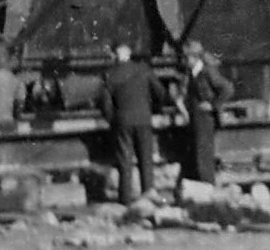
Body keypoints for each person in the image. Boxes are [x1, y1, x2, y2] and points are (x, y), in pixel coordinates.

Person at [98, 40, 170, 204]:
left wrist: (113, 120)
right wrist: (154, 110)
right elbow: (160, 92)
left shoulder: (110, 75)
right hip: (144, 119)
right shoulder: (144, 69)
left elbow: (105, 105)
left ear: (115, 56)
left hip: (123, 122)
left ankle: (125, 201)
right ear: (129, 54)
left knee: (125, 162)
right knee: (146, 159)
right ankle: (149, 196)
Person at [178, 39, 234, 187]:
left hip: (205, 119)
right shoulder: (192, 73)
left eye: (186, 57)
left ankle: (208, 186)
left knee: (204, 156)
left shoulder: (207, 72)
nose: (184, 60)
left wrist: (213, 104)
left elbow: (227, 88)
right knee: (199, 154)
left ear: (194, 57)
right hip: (197, 118)